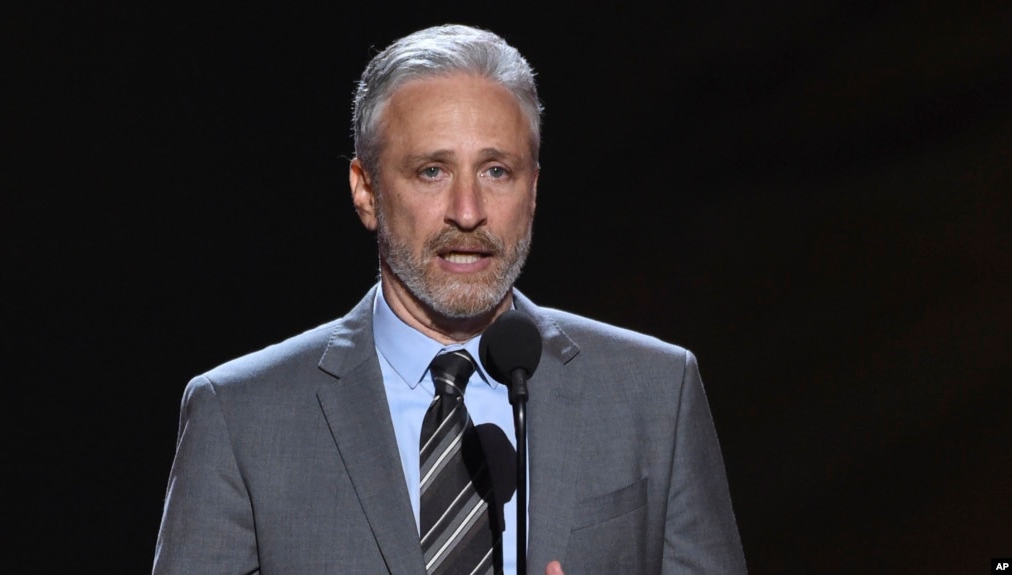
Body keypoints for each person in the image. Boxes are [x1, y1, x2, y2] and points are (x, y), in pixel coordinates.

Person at [152, 24, 746, 575]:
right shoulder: (239, 418)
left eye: (496, 170)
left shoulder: (655, 394)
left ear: (533, 189)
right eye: (432, 171)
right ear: (365, 191)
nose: (468, 212)